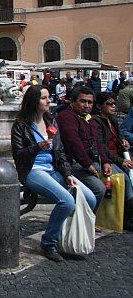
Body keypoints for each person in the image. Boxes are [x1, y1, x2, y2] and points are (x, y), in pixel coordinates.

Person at [11, 85, 96, 262]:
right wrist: (37, 147)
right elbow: (18, 155)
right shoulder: (21, 125)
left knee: (90, 198)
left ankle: (64, 235)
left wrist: (67, 174)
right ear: (34, 101)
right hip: (33, 170)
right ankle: (49, 242)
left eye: (48, 97)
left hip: (54, 169)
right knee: (66, 201)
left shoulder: (52, 121)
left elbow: (60, 152)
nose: (49, 101)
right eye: (44, 98)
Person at [57, 86, 113, 209]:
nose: (87, 105)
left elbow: (97, 142)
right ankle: (87, 220)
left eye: (90, 102)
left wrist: (105, 161)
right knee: (98, 189)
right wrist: (88, 165)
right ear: (73, 102)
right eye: (83, 101)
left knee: (119, 180)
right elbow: (73, 144)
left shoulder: (89, 119)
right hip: (75, 164)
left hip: (93, 161)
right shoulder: (66, 117)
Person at [93, 92, 133, 230]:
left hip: (118, 156)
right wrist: (120, 160)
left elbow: (120, 135)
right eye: (109, 103)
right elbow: (101, 146)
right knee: (125, 180)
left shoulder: (112, 120)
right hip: (108, 159)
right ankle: (127, 217)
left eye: (114, 103)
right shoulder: (96, 121)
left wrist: (123, 141)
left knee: (130, 177)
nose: (113, 106)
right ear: (99, 106)